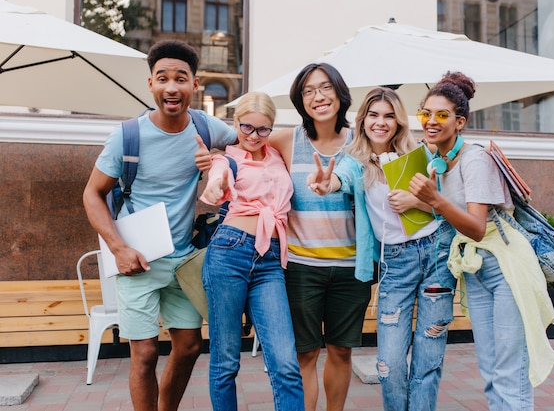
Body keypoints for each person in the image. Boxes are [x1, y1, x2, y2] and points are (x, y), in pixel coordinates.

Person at [82, 39, 236, 411]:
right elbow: (92, 194)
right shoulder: (127, 136)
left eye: (181, 78)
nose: (172, 87)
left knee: (188, 346)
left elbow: (250, 145)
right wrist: (119, 248)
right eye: (162, 78)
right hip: (137, 260)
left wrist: (218, 159)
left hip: (183, 260)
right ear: (150, 83)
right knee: (145, 352)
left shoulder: (205, 125)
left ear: (194, 86)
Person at [408, 71, 554, 410]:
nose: (431, 121)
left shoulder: (475, 159)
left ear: (459, 122)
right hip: (475, 268)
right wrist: (419, 201)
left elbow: (475, 225)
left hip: (505, 267)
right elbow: (452, 215)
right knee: (490, 369)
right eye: (425, 113)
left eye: (441, 115)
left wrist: (434, 200)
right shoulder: (440, 162)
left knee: (509, 370)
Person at [306, 87, 457, 411]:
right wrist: (325, 184)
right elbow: (340, 179)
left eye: (389, 115)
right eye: (374, 115)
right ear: (363, 120)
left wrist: (418, 200)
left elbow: (450, 205)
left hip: (435, 256)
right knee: (389, 365)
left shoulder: (422, 154)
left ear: (399, 122)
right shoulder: (355, 162)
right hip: (395, 263)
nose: (381, 122)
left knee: (427, 361)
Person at [269, 63, 373, 411]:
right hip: (300, 266)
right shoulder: (286, 140)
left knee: (342, 350)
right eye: (308, 91)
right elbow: (244, 146)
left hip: (350, 267)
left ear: (339, 93)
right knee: (306, 354)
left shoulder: (361, 143)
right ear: (301, 101)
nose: (318, 96)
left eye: (325, 87)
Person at [200, 91, 305, 411]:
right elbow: (218, 177)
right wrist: (215, 184)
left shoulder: (277, 155)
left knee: (286, 363)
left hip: (271, 260)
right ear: (236, 123)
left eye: (263, 130)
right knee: (226, 361)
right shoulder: (226, 157)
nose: (254, 136)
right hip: (229, 253)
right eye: (247, 128)